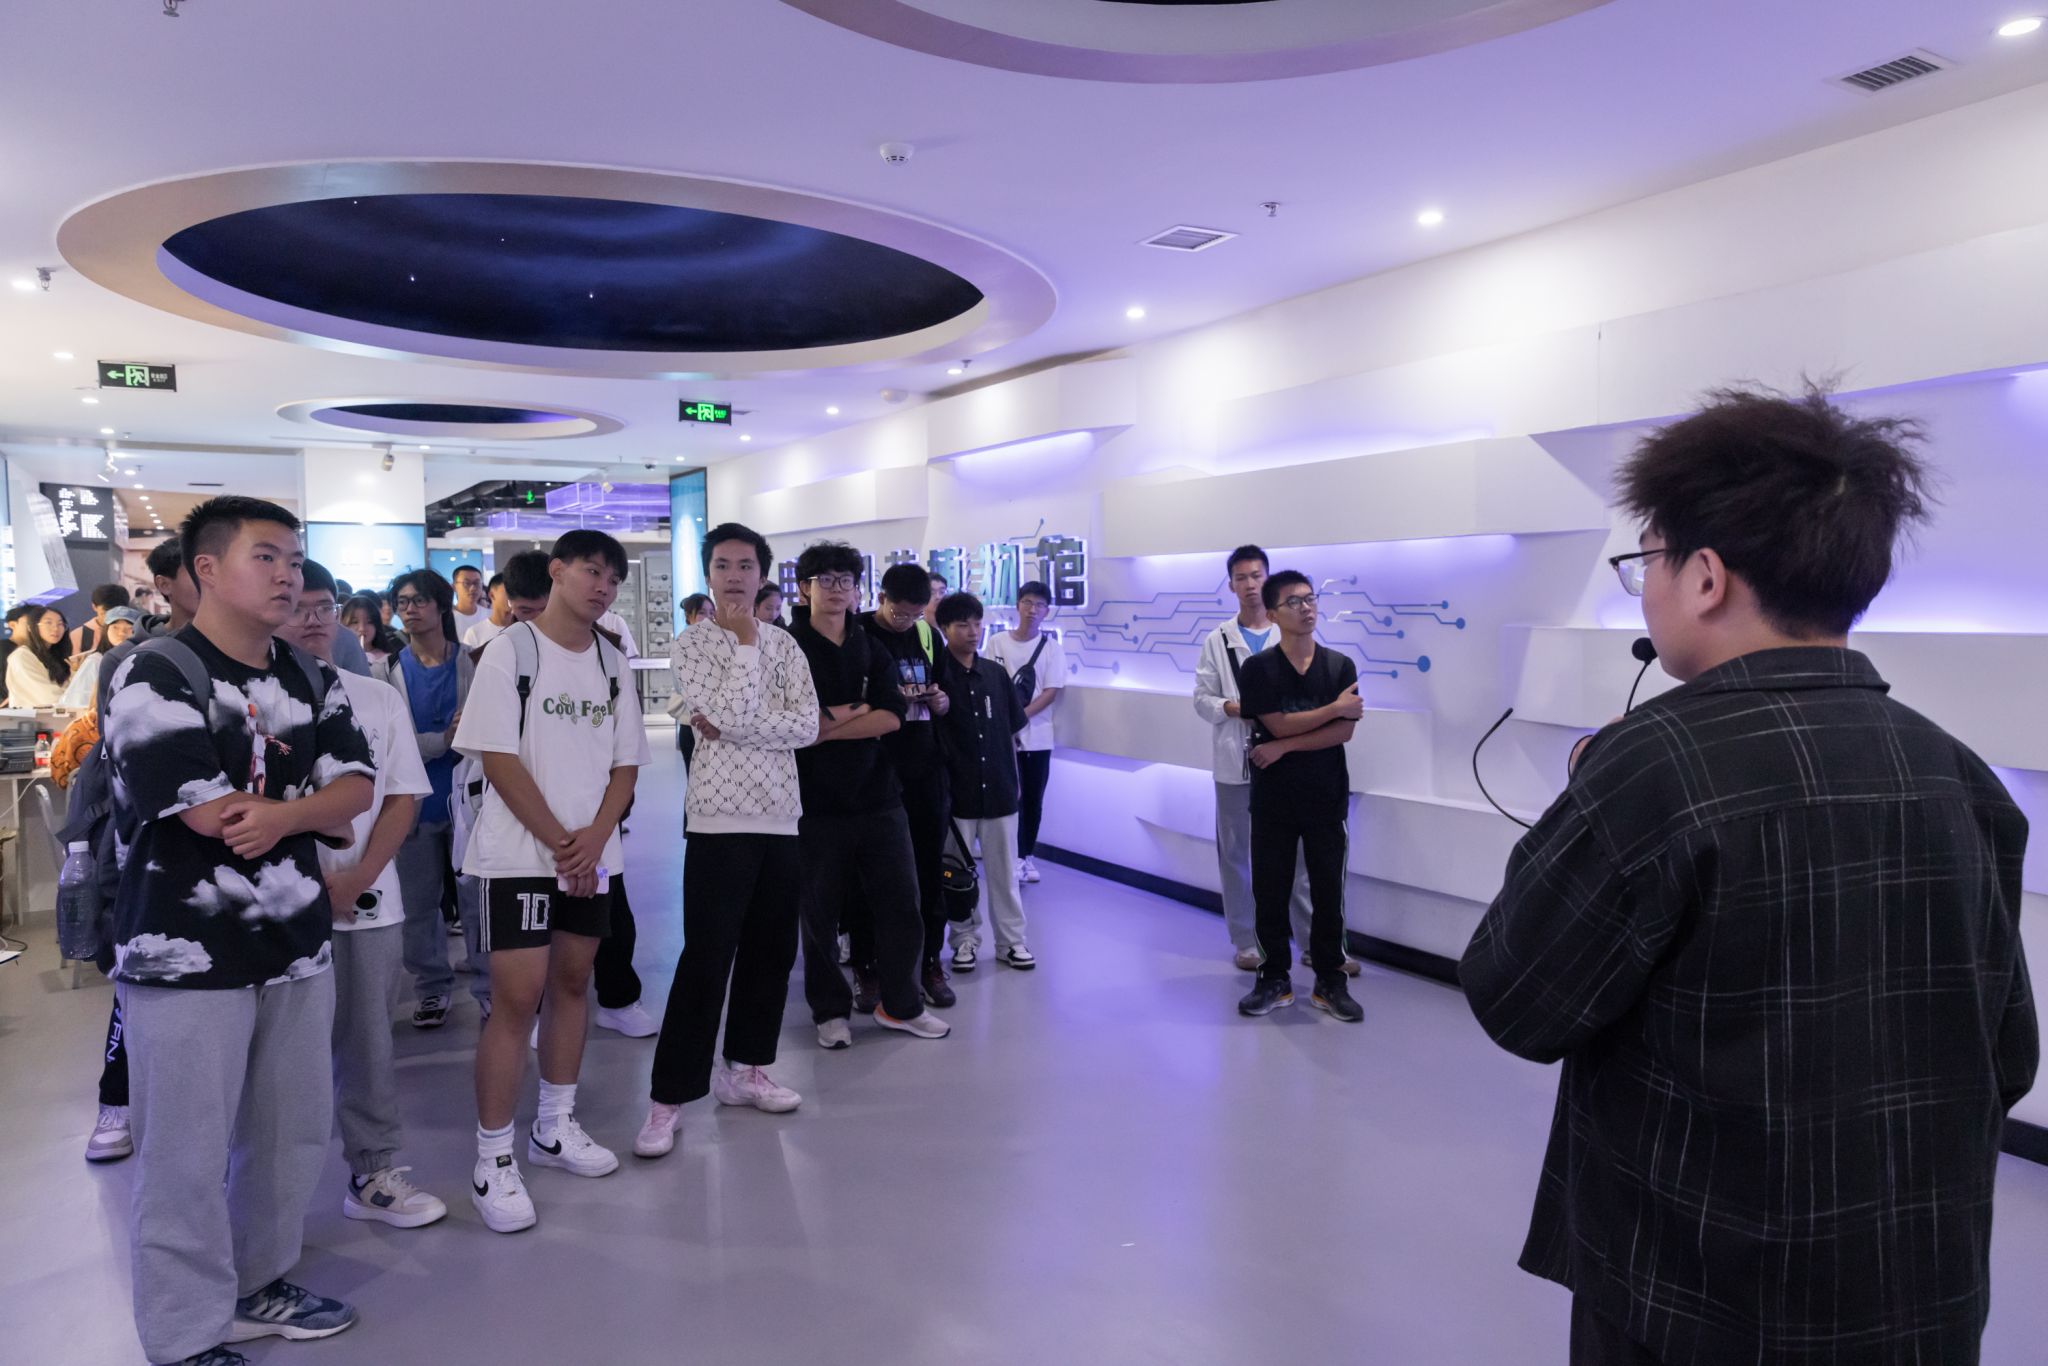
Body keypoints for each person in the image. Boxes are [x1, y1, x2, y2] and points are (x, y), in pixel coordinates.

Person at [1459, 386, 2038, 1366]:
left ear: (1704, 577)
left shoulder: (1651, 763)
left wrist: (1585, 802)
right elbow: (2007, 1052)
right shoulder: (1958, 772)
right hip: (1916, 1293)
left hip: (1690, 1295)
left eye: (1645, 559)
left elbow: (1516, 998)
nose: (1642, 586)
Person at [103, 495, 375, 1366]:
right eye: (267, 557)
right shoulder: (155, 673)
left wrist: (285, 815)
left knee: (290, 1134)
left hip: (296, 947)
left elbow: (357, 786)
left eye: (294, 559)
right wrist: (309, 812)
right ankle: (183, 1333)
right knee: (183, 1152)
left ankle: (260, 1282)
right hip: (182, 954)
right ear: (207, 569)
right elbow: (210, 815)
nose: (288, 575)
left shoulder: (310, 675)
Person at [454, 530, 648, 1232]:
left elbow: (626, 764)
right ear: (558, 572)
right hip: (519, 857)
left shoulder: (612, 661)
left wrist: (592, 841)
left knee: (573, 984)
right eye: (592, 572)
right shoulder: (513, 650)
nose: (603, 587)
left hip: (590, 858)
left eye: (613, 579)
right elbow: (497, 758)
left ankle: (555, 1125)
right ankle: (493, 1157)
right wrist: (564, 843)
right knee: (515, 1000)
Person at [641, 523, 819, 1160]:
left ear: (763, 573)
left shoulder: (787, 644)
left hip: (781, 815)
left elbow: (805, 726)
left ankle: (745, 1068)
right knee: (707, 956)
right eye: (723, 565)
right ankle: (669, 1097)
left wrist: (733, 721)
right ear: (708, 574)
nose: (735, 575)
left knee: (771, 952)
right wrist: (743, 648)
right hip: (718, 818)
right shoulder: (692, 644)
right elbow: (723, 717)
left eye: (746, 565)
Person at [277, 560, 446, 1230]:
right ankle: (263, 1190)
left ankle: (373, 1171)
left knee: (369, 1044)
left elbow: (402, 796)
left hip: (366, 900)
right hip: (271, 906)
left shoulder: (375, 697)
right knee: (273, 1054)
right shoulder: (242, 698)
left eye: (325, 607)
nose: (314, 620)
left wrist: (358, 877)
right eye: (300, 607)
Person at [789, 543, 949, 1049]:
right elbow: (791, 725)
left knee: (902, 904)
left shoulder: (870, 645)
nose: (837, 589)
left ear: (858, 589)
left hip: (880, 796)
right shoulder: (786, 647)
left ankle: (901, 1005)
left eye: (846, 580)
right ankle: (829, 1011)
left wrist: (825, 724)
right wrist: (857, 710)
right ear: (804, 588)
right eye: (826, 580)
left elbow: (892, 716)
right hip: (814, 802)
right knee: (820, 915)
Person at [79, 535, 201, 1166]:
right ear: (166, 584)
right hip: (145, 845)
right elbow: (118, 758)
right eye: (196, 571)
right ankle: (116, 1101)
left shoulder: (254, 656)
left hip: (230, 857)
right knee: (139, 974)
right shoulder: (130, 659)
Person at [1193, 546, 1344, 975]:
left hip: (1286, 763)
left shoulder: (1291, 633)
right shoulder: (1218, 639)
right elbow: (1201, 699)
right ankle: (1247, 940)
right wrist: (1234, 707)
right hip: (1235, 763)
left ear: (1268, 579)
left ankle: (1313, 942)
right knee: (1236, 855)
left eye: (1256, 575)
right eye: (1241, 578)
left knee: (1299, 859)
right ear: (1230, 585)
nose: (1250, 585)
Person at [1232, 570, 1363, 1023]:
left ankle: (1330, 980)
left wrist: (1284, 746)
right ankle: (1274, 978)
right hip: (1274, 799)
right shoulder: (1259, 669)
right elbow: (1277, 722)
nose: (1306, 608)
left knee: (1329, 892)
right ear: (1272, 615)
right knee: (1270, 891)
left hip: (1326, 796)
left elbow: (1343, 732)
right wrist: (1332, 710)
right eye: (1293, 602)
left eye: (1310, 599)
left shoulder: (1340, 666)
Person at [377, 569, 476, 1030]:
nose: (409, 610)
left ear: (440, 605)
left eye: (418, 600)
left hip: (468, 801)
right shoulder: (387, 672)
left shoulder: (472, 664)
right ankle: (432, 986)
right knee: (418, 906)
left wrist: (462, 735)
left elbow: (487, 735)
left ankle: (488, 986)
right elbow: (391, 743)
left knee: (476, 901)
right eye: (402, 602)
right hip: (411, 805)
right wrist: (442, 740)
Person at [858, 563, 957, 1007]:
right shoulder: (859, 633)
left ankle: (930, 961)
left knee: (928, 871)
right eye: (900, 613)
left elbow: (946, 696)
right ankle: (867, 965)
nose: (906, 621)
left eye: (916, 613)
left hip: (924, 769)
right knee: (869, 875)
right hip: (874, 771)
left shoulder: (927, 634)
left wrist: (940, 700)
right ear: (881, 598)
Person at [933, 591, 1034, 972]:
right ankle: (964, 941)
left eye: (977, 624)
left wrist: (1014, 781)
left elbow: (1011, 730)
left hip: (1000, 790)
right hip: (956, 795)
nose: (973, 632)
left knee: (1005, 875)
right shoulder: (936, 676)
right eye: (963, 625)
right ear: (944, 628)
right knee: (957, 877)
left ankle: (1012, 942)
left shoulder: (994, 674)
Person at [984, 580, 1066, 885]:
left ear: (1047, 612)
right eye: (1028, 602)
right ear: (1018, 605)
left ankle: (1025, 856)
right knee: (1006, 799)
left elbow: (1051, 692)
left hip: (1038, 737)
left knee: (1032, 799)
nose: (1033, 610)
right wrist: (1003, 723)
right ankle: (1006, 856)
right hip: (1000, 736)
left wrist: (1017, 718)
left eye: (1040, 605)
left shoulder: (1052, 649)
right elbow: (987, 683)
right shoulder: (997, 643)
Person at [6, 603, 73, 706]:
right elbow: (48, 697)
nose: (55, 628)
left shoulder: (57, 656)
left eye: (60, 624)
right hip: (32, 715)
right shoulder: (22, 656)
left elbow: (69, 689)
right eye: (48, 623)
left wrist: (74, 672)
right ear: (31, 627)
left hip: (60, 713)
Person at [69, 583, 132, 655]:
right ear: (94, 607)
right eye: (105, 613)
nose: (111, 619)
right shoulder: (78, 636)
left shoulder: (137, 631)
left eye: (116, 614)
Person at [462, 572, 515, 650]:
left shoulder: (525, 628)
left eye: (517, 593)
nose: (514, 597)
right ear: (492, 595)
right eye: (509, 592)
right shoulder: (475, 633)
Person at [343, 594, 399, 665]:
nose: (362, 628)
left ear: (377, 624)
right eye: (355, 622)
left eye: (369, 622)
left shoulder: (389, 659)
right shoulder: (337, 657)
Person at [449, 563, 488, 640]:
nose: (473, 588)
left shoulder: (490, 615)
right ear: (454, 587)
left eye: (477, 583)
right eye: (466, 583)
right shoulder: (447, 619)